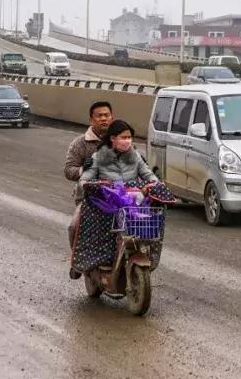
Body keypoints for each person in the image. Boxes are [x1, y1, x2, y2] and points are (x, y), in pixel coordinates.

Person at [71, 119, 168, 277]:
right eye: (123, 137)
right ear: (113, 138)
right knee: (74, 225)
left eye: (129, 137)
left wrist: (155, 185)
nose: (127, 141)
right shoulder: (98, 157)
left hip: (132, 204)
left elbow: (149, 175)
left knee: (151, 221)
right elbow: (84, 181)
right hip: (104, 205)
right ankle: (79, 265)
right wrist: (92, 185)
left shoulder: (136, 157)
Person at [63, 101, 114, 277]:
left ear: (112, 117)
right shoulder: (80, 143)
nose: (104, 119)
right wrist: (82, 169)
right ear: (91, 119)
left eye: (107, 115)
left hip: (117, 198)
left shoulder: (120, 140)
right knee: (74, 227)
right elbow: (68, 170)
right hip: (88, 199)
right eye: (99, 116)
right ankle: (78, 262)